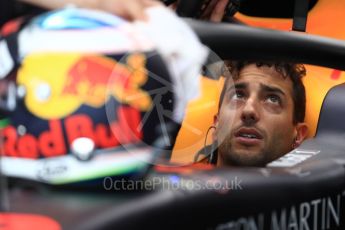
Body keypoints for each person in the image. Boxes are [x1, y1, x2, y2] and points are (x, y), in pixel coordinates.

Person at [196, 60, 309, 167]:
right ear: (217, 124)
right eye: (237, 95)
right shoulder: (181, 181)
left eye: (272, 99)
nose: (249, 110)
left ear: (299, 135)